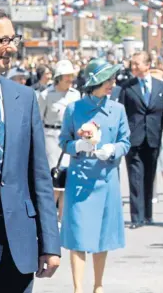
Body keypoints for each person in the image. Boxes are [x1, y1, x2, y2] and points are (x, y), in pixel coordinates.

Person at [0, 7, 60, 292]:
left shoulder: (23, 97)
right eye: (2, 40)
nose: (11, 48)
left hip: (19, 252)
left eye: (13, 39)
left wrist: (50, 244)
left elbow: (39, 175)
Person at [59, 58, 131, 293]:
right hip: (79, 179)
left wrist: (112, 150)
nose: (112, 83)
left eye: (112, 79)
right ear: (94, 82)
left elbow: (125, 142)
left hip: (106, 180)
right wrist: (77, 146)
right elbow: (64, 141)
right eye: (107, 79)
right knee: (78, 235)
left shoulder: (117, 109)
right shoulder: (74, 108)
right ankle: (78, 288)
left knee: (102, 236)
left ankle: (98, 286)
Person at [120, 51, 163, 229]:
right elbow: (122, 112)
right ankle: (137, 217)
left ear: (148, 64)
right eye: (132, 64)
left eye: (137, 64)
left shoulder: (161, 86)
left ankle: (148, 215)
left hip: (153, 137)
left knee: (149, 177)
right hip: (133, 138)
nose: (133, 67)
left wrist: (156, 128)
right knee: (135, 177)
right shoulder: (127, 87)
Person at [37, 60, 81, 224]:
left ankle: (62, 218)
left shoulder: (75, 95)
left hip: (69, 139)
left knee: (66, 182)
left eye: (71, 76)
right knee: (53, 180)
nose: (70, 79)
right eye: (67, 76)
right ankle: (47, 218)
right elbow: (38, 119)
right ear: (59, 78)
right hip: (51, 139)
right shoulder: (46, 95)